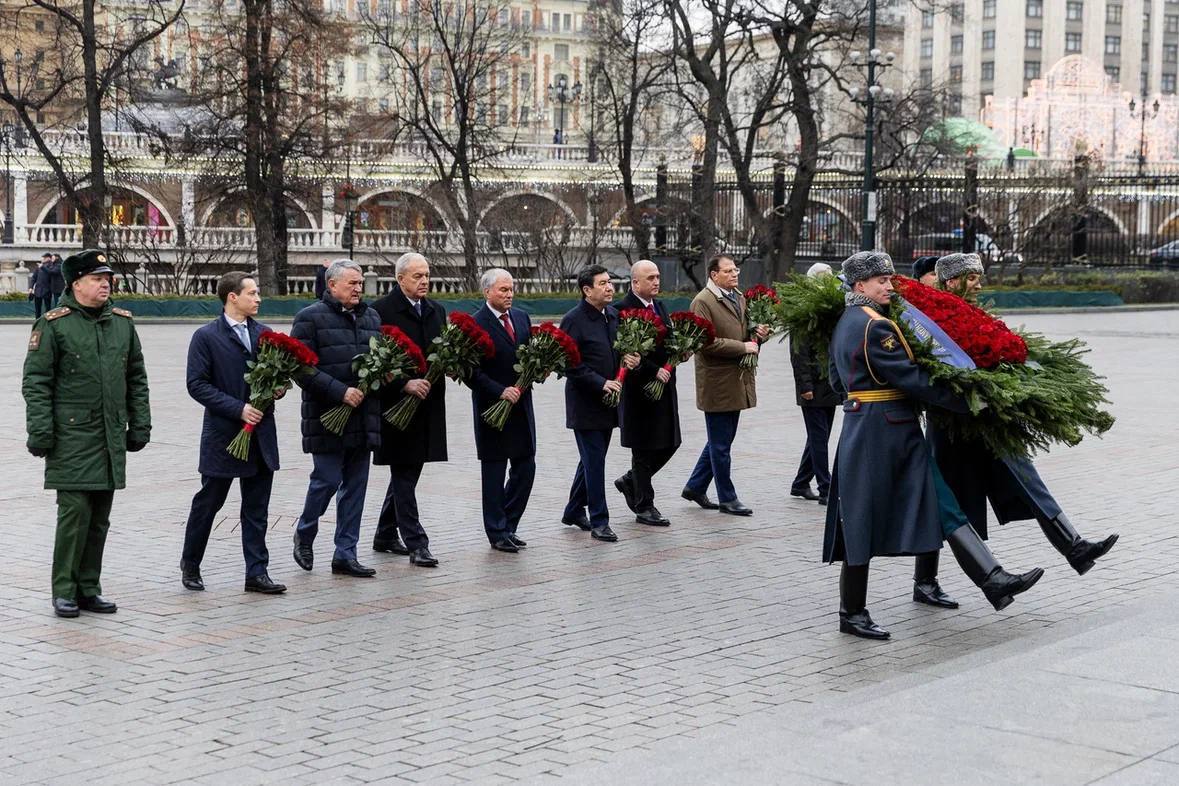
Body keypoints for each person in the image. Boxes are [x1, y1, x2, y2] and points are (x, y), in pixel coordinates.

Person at [929, 252, 1119, 577]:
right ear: (952, 281)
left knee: (1026, 476)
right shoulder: (932, 317)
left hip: (987, 419)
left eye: (978, 277)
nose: (979, 284)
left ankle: (1073, 546)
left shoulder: (973, 313)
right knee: (945, 507)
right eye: (972, 278)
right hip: (954, 425)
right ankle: (928, 580)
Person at [824, 251, 974, 639]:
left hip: (861, 424)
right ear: (861, 286)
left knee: (859, 518)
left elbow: (835, 379)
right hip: (882, 430)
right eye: (881, 282)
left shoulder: (847, 320)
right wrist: (967, 400)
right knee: (862, 519)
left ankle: (857, 608)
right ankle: (853, 612)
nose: (890, 286)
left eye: (888, 280)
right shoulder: (875, 326)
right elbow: (912, 378)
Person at [22, 249, 151, 618]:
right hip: (72, 437)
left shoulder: (122, 323)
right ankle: (64, 589)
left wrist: (139, 424)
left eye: (107, 278)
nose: (105, 284)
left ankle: (89, 588)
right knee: (74, 514)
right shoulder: (54, 324)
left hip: (110, 435)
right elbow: (36, 383)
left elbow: (136, 379)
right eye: (97, 279)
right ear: (76, 284)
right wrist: (41, 432)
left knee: (99, 517)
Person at [180, 271, 286, 595]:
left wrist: (277, 389)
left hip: (260, 437)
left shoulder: (265, 334)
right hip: (224, 436)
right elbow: (196, 385)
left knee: (257, 508)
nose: (258, 298)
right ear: (232, 297)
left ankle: (257, 573)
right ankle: (191, 565)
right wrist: (238, 409)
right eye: (252, 293)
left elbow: (276, 375)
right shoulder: (206, 336)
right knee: (209, 502)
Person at [290, 259, 382, 578]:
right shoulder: (309, 318)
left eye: (360, 283)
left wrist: (376, 381)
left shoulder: (371, 317)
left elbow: (379, 361)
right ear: (332, 285)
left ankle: (346, 553)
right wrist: (340, 392)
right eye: (352, 283)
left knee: (356, 487)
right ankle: (305, 531)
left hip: (363, 416)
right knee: (327, 480)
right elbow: (301, 368)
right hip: (326, 415)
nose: (358, 288)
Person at [370, 252, 444, 568]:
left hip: (427, 405)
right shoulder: (381, 312)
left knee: (409, 471)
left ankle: (385, 533)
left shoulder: (437, 310)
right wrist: (404, 383)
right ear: (400, 279)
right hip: (397, 405)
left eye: (426, 275)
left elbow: (442, 350)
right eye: (417, 276)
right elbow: (375, 363)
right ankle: (417, 543)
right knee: (404, 470)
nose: (424, 281)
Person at [681, 254, 768, 516]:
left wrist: (757, 336)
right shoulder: (703, 302)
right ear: (713, 274)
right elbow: (704, 344)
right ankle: (727, 498)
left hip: (736, 380)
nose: (734, 274)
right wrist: (744, 346)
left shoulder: (738, 296)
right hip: (717, 383)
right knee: (720, 445)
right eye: (728, 271)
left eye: (736, 270)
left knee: (722, 441)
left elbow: (746, 336)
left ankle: (695, 486)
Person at [559, 265, 639, 543]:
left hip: (609, 402)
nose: (610, 288)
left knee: (592, 460)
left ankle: (572, 510)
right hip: (585, 404)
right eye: (603, 283)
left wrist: (629, 360)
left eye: (610, 283)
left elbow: (619, 351)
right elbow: (570, 365)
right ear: (586, 290)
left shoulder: (614, 316)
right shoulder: (573, 320)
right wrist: (600, 382)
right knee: (594, 463)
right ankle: (600, 521)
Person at [468, 268, 536, 553]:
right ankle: (496, 531)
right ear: (487, 292)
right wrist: (499, 390)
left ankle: (509, 524)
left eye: (511, 290)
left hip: (521, 405)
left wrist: (533, 374)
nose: (509, 295)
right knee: (494, 472)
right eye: (503, 290)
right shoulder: (475, 324)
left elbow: (532, 355)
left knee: (526, 467)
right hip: (491, 408)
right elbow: (470, 371)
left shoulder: (521, 318)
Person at [615, 259, 680, 527]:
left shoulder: (660, 306)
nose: (656, 281)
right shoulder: (621, 310)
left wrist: (680, 352)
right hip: (638, 390)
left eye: (657, 277)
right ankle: (644, 505)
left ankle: (630, 481)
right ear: (635, 283)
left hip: (664, 387)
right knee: (642, 449)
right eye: (650, 278)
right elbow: (625, 352)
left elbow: (668, 343)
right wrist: (652, 369)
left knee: (671, 442)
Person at [789, 262, 841, 506]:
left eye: (829, 277)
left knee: (819, 436)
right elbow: (799, 355)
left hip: (828, 385)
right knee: (819, 438)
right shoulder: (805, 310)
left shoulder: (829, 309)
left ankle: (800, 483)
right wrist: (805, 386)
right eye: (823, 277)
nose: (827, 281)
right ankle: (825, 488)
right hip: (812, 387)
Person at [29, 252, 55, 318]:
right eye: (43, 257)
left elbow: (50, 273)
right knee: (37, 309)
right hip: (38, 290)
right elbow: (34, 278)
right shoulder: (39, 267)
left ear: (49, 258)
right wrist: (31, 287)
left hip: (47, 290)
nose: (43, 259)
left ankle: (47, 323)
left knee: (48, 308)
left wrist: (42, 267)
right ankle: (37, 321)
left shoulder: (52, 266)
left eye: (44, 258)